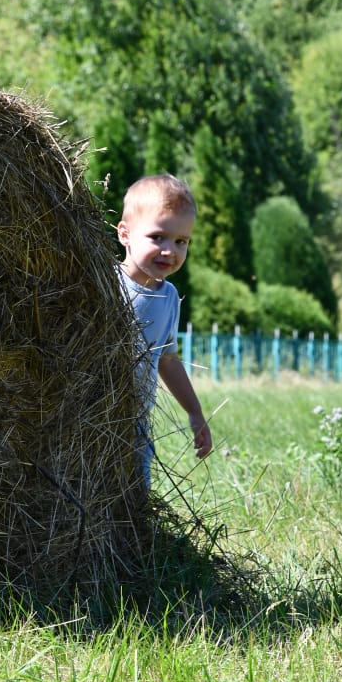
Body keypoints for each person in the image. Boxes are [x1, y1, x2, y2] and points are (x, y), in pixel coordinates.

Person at [117, 174, 213, 481]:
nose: (169, 250)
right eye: (157, 237)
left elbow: (167, 359)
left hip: (135, 422)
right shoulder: (106, 283)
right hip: (90, 414)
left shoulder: (169, 296)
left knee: (133, 497)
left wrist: (195, 412)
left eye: (180, 241)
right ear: (125, 234)